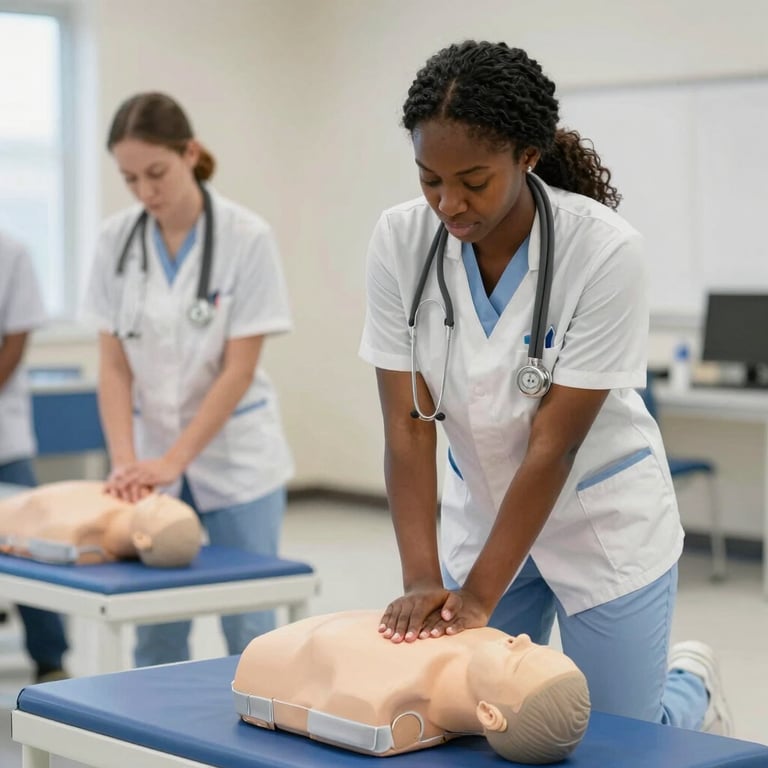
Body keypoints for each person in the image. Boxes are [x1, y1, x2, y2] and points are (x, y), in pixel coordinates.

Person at [358, 41, 731, 736]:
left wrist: (478, 597)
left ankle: (691, 689)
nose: (449, 203)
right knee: (481, 721)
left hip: (598, 519)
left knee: (615, 737)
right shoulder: (400, 241)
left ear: (527, 155)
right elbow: (407, 425)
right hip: (484, 512)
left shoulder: (604, 250)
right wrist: (422, 578)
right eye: (430, 180)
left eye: (473, 181)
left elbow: (553, 447)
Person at [83, 92, 294, 666]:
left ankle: (252, 723)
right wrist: (126, 462)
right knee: (155, 623)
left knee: (249, 624)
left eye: (156, 173)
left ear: (190, 153)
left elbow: (239, 368)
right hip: (149, 457)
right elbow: (113, 366)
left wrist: (173, 461)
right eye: (130, 179)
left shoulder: (247, 237)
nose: (145, 192)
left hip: (236, 461)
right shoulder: (114, 242)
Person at [233, 610, 590, 763]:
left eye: (519, 660)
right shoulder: (487, 638)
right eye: (536, 645)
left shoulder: (389, 703)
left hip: (285, 651)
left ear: (489, 715)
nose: (522, 638)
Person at [0, 230, 69, 682]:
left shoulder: (11, 251)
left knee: (29, 546)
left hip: (4, 436)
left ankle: (50, 659)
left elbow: (16, 340)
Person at [0, 480, 202, 566]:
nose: (161, 498)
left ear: (142, 539)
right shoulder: (132, 494)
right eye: (170, 501)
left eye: (160, 510)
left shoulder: (75, 536)